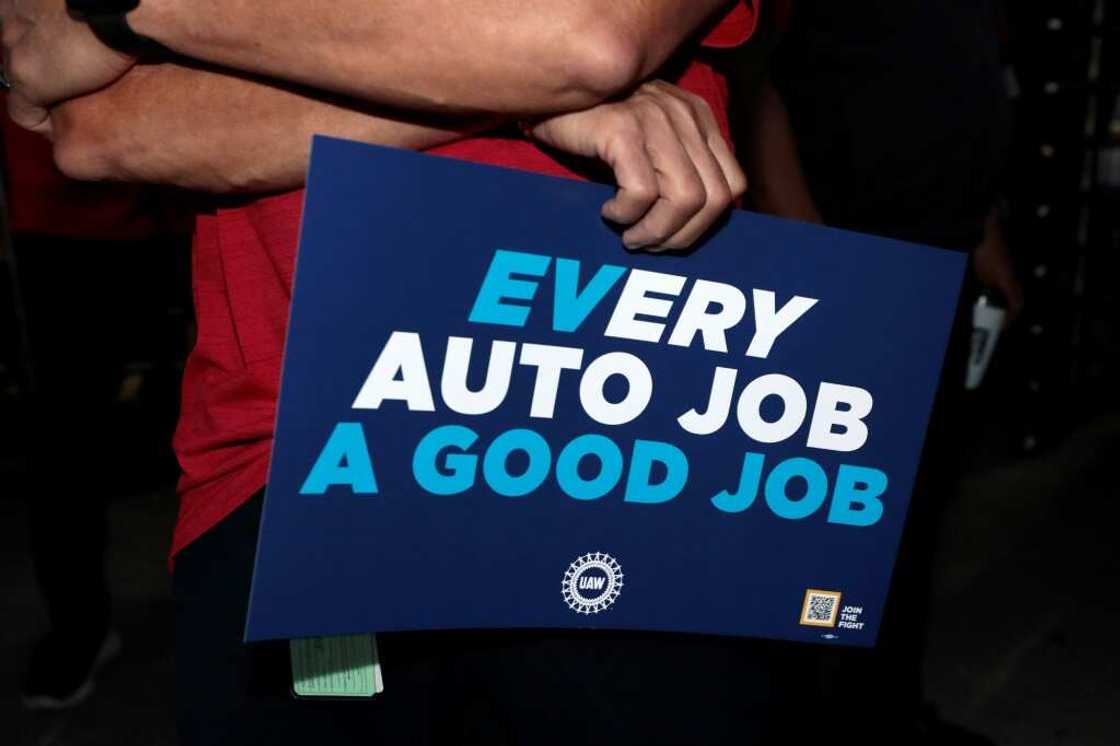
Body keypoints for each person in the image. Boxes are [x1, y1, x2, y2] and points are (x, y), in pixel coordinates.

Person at [3, 1, 765, 742]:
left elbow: (588, 39)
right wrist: (531, 95)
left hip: (617, 444)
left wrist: (132, 11)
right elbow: (97, 125)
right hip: (292, 455)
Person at [736, 1, 1018, 743]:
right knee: (820, 522)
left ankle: (887, 713)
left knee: (913, 510)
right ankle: (807, 719)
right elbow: (760, 79)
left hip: (940, 263)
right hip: (853, 265)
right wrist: (817, 265)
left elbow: (966, 95)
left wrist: (985, 242)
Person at [0, 99, 184, 709]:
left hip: (164, 215)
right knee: (60, 449)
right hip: (41, 239)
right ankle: (80, 629)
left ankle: (274, 619)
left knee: (227, 424)